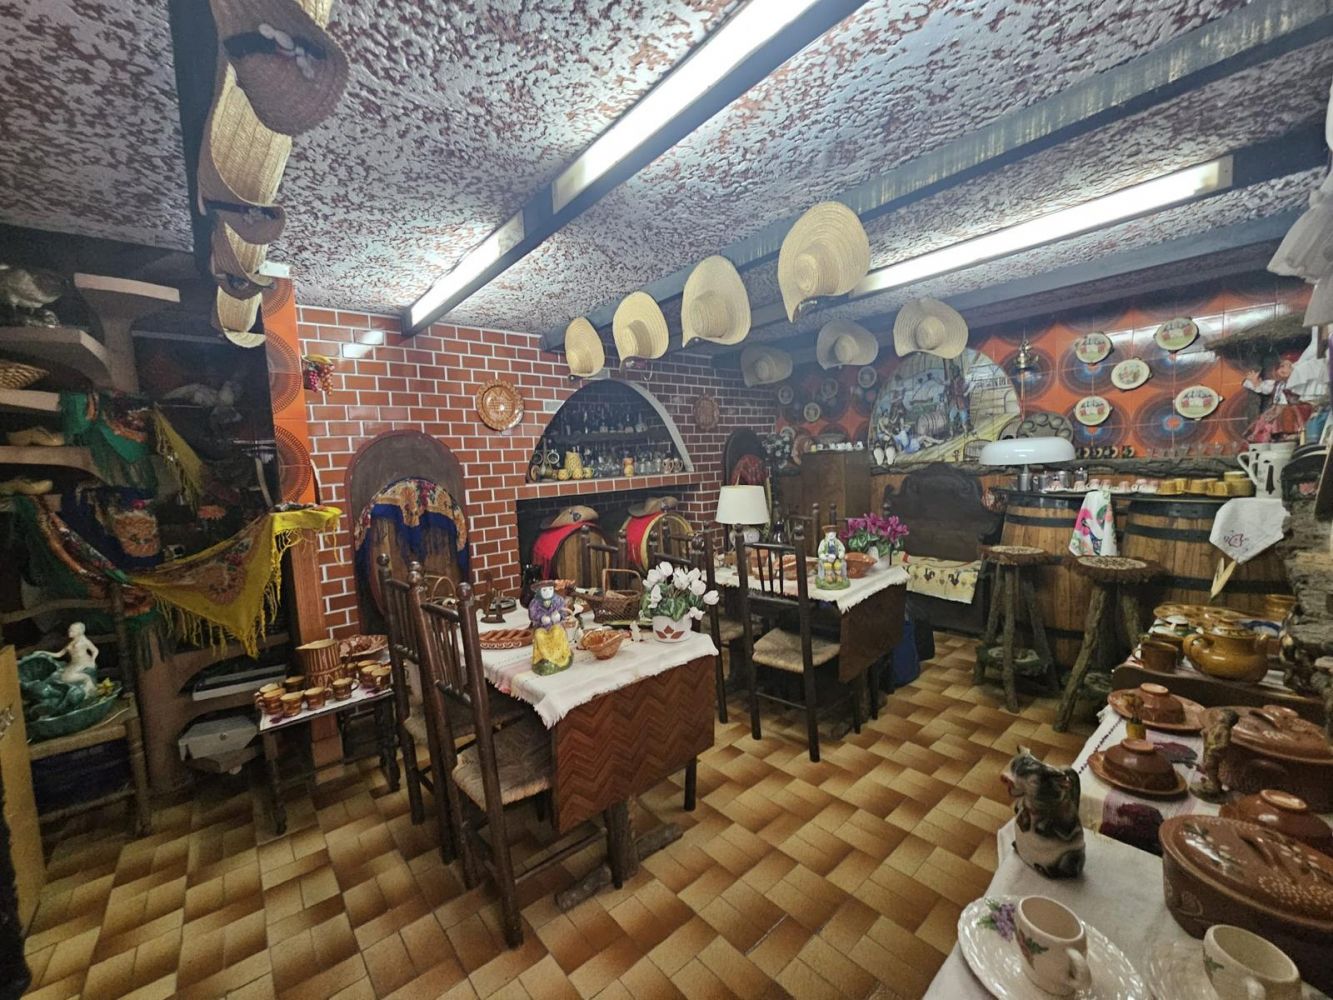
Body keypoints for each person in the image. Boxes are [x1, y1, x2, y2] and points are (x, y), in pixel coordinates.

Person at [528, 582, 573, 676]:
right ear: (539, 591)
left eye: (550, 589)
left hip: (555, 625)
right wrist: (541, 618)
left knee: (557, 631)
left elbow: (564, 612)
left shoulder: (558, 600)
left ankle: (558, 656)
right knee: (539, 635)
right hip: (542, 628)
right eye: (544, 590)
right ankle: (546, 658)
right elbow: (532, 615)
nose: (548, 592)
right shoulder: (534, 603)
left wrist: (559, 616)